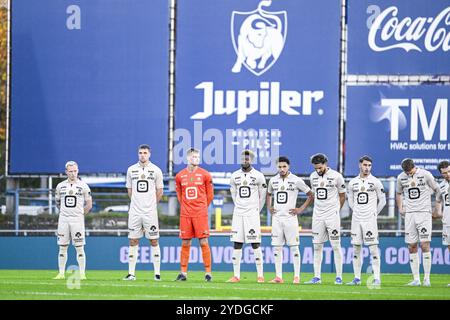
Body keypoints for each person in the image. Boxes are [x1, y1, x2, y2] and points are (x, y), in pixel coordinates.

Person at [266, 156, 313, 284]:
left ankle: (296, 276)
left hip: (290, 219)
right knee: (276, 248)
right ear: (277, 167)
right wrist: (269, 207)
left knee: (294, 247)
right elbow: (268, 194)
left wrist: (300, 209)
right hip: (277, 219)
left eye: (284, 167)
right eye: (280, 167)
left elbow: (310, 194)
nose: (282, 169)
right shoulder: (273, 180)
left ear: (289, 167)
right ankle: (278, 277)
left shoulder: (296, 180)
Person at [396, 158, 441, 287]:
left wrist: (435, 208)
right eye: (406, 172)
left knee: (425, 245)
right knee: (411, 246)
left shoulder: (425, 174)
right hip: (409, 215)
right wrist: (400, 208)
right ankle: (416, 279)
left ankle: (427, 279)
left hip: (424, 214)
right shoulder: (401, 177)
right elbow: (398, 193)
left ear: (414, 167)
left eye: (410, 172)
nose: (408, 174)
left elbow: (437, 189)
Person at [123, 144, 164, 281]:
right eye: (140, 153)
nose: (142, 155)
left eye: (145, 153)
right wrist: (137, 203)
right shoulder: (131, 170)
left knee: (153, 240)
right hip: (135, 212)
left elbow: (160, 191)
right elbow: (130, 190)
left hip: (150, 212)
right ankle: (131, 274)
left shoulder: (156, 170)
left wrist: (151, 205)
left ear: (149, 154)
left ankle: (157, 274)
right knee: (133, 240)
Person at [305, 153, 346, 285]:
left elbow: (342, 196)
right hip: (317, 215)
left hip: (332, 215)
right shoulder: (312, 177)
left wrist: (335, 210)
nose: (318, 170)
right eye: (315, 168)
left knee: (335, 245)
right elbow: (315, 194)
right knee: (317, 246)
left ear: (325, 164)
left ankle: (339, 277)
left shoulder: (337, 176)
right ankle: (317, 277)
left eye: (320, 168)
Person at [227, 150, 267, 283]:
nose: (245, 161)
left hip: (252, 213)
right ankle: (236, 275)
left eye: (247, 159)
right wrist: (239, 206)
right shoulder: (234, 176)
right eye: (243, 159)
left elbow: (263, 196)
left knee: (255, 243)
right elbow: (234, 194)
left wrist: (256, 210)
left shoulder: (259, 175)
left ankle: (260, 275)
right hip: (238, 213)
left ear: (252, 160)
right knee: (237, 243)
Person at [175, 148, 214, 281]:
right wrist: (186, 206)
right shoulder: (179, 176)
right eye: (193, 157)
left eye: (197, 157)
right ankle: (183, 273)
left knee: (203, 241)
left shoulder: (205, 174)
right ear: (187, 158)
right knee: (185, 242)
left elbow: (210, 195)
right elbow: (179, 195)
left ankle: (208, 273)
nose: (196, 159)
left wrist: (201, 207)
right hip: (185, 214)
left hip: (200, 214)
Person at [346, 156, 386, 286]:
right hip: (356, 220)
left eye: (369, 165)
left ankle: (377, 278)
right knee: (356, 248)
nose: (367, 168)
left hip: (370, 220)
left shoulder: (375, 182)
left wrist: (374, 213)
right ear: (360, 165)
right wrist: (356, 210)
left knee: (373, 249)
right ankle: (357, 278)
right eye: (365, 165)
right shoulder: (352, 183)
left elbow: (383, 201)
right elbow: (350, 200)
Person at [54, 161, 92, 280]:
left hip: (77, 221)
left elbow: (89, 204)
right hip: (63, 220)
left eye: (75, 171)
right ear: (66, 172)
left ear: (78, 171)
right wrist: (64, 213)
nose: (73, 173)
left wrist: (80, 214)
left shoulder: (84, 186)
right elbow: (57, 202)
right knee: (62, 247)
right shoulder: (60, 186)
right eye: (70, 171)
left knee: (80, 247)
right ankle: (61, 273)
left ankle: (82, 274)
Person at [436, 160, 449, 287]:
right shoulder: (441, 186)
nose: (448, 174)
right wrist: (439, 213)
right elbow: (439, 201)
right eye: (445, 173)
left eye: (449, 171)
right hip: (447, 222)